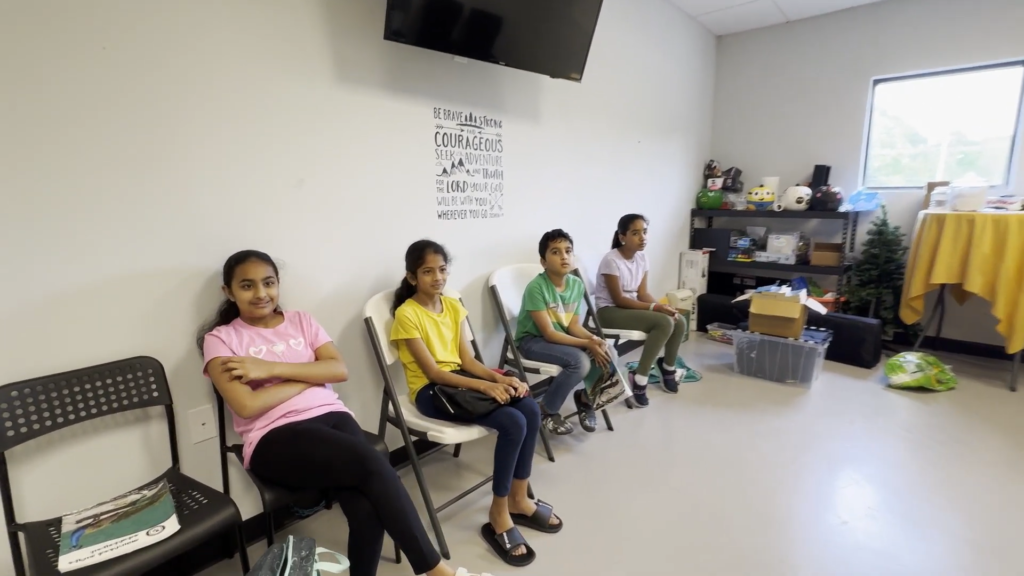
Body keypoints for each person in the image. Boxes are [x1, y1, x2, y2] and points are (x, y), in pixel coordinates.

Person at [198, 250, 490, 576]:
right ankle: (436, 570)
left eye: (268, 283)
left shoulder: (301, 320)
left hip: (333, 416)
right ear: (228, 291)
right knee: (372, 462)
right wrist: (311, 374)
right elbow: (247, 405)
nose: (260, 293)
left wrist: (269, 369)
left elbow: (338, 369)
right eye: (247, 286)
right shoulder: (221, 340)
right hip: (274, 434)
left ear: (278, 284)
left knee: (365, 507)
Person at [390, 240, 560, 568]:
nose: (438, 277)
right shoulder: (407, 314)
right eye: (428, 272)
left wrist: (500, 379)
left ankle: (519, 499)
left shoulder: (453, 306)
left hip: (460, 383)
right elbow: (434, 373)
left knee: (527, 406)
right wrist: (486, 385)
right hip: (432, 392)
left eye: (442, 270)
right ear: (412, 277)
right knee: (513, 422)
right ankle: (499, 512)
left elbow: (467, 361)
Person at [514, 229, 619, 435]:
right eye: (555, 252)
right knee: (580, 362)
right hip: (533, 341)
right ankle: (547, 410)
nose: (564, 256)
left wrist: (594, 339)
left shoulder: (576, 284)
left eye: (568, 251)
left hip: (560, 338)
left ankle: (585, 399)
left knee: (609, 352)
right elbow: (549, 333)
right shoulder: (536, 287)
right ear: (543, 262)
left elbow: (573, 326)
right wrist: (587, 344)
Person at [594, 214, 688, 408]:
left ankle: (667, 367)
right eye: (636, 233)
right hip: (609, 312)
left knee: (678, 320)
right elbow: (619, 299)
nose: (642, 237)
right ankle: (640, 377)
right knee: (663, 322)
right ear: (622, 237)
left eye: (644, 232)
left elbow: (642, 293)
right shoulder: (611, 260)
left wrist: (665, 308)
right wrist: (656, 308)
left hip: (629, 308)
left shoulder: (642, 258)